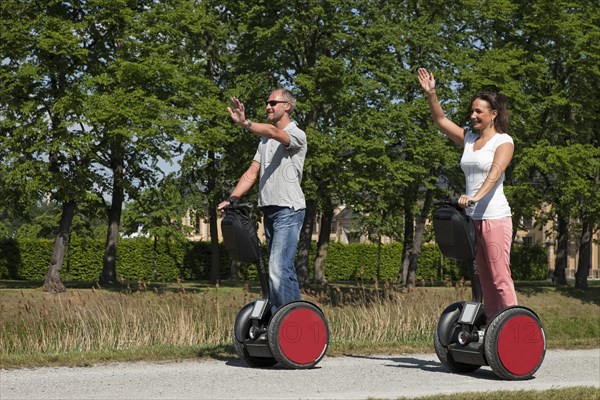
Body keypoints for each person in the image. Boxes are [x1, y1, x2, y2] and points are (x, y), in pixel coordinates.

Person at [417, 67, 518, 321]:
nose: (472, 115)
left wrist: (474, 196)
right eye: (471, 111)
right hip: (473, 219)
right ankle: (495, 330)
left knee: (499, 276)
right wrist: (432, 94)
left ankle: (514, 326)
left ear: (493, 114)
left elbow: (495, 173)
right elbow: (441, 120)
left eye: (478, 111)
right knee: (484, 278)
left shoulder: (503, 141)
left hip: (495, 217)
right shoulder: (470, 140)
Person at [218, 88, 307, 309]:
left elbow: (275, 133)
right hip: (269, 210)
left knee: (277, 267)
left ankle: (283, 322)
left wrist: (245, 123)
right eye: (266, 102)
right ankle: (295, 319)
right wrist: (232, 198)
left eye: (273, 103)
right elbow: (252, 172)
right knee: (283, 269)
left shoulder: (296, 134)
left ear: (287, 106)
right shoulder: (264, 143)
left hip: (289, 209)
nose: (267, 106)